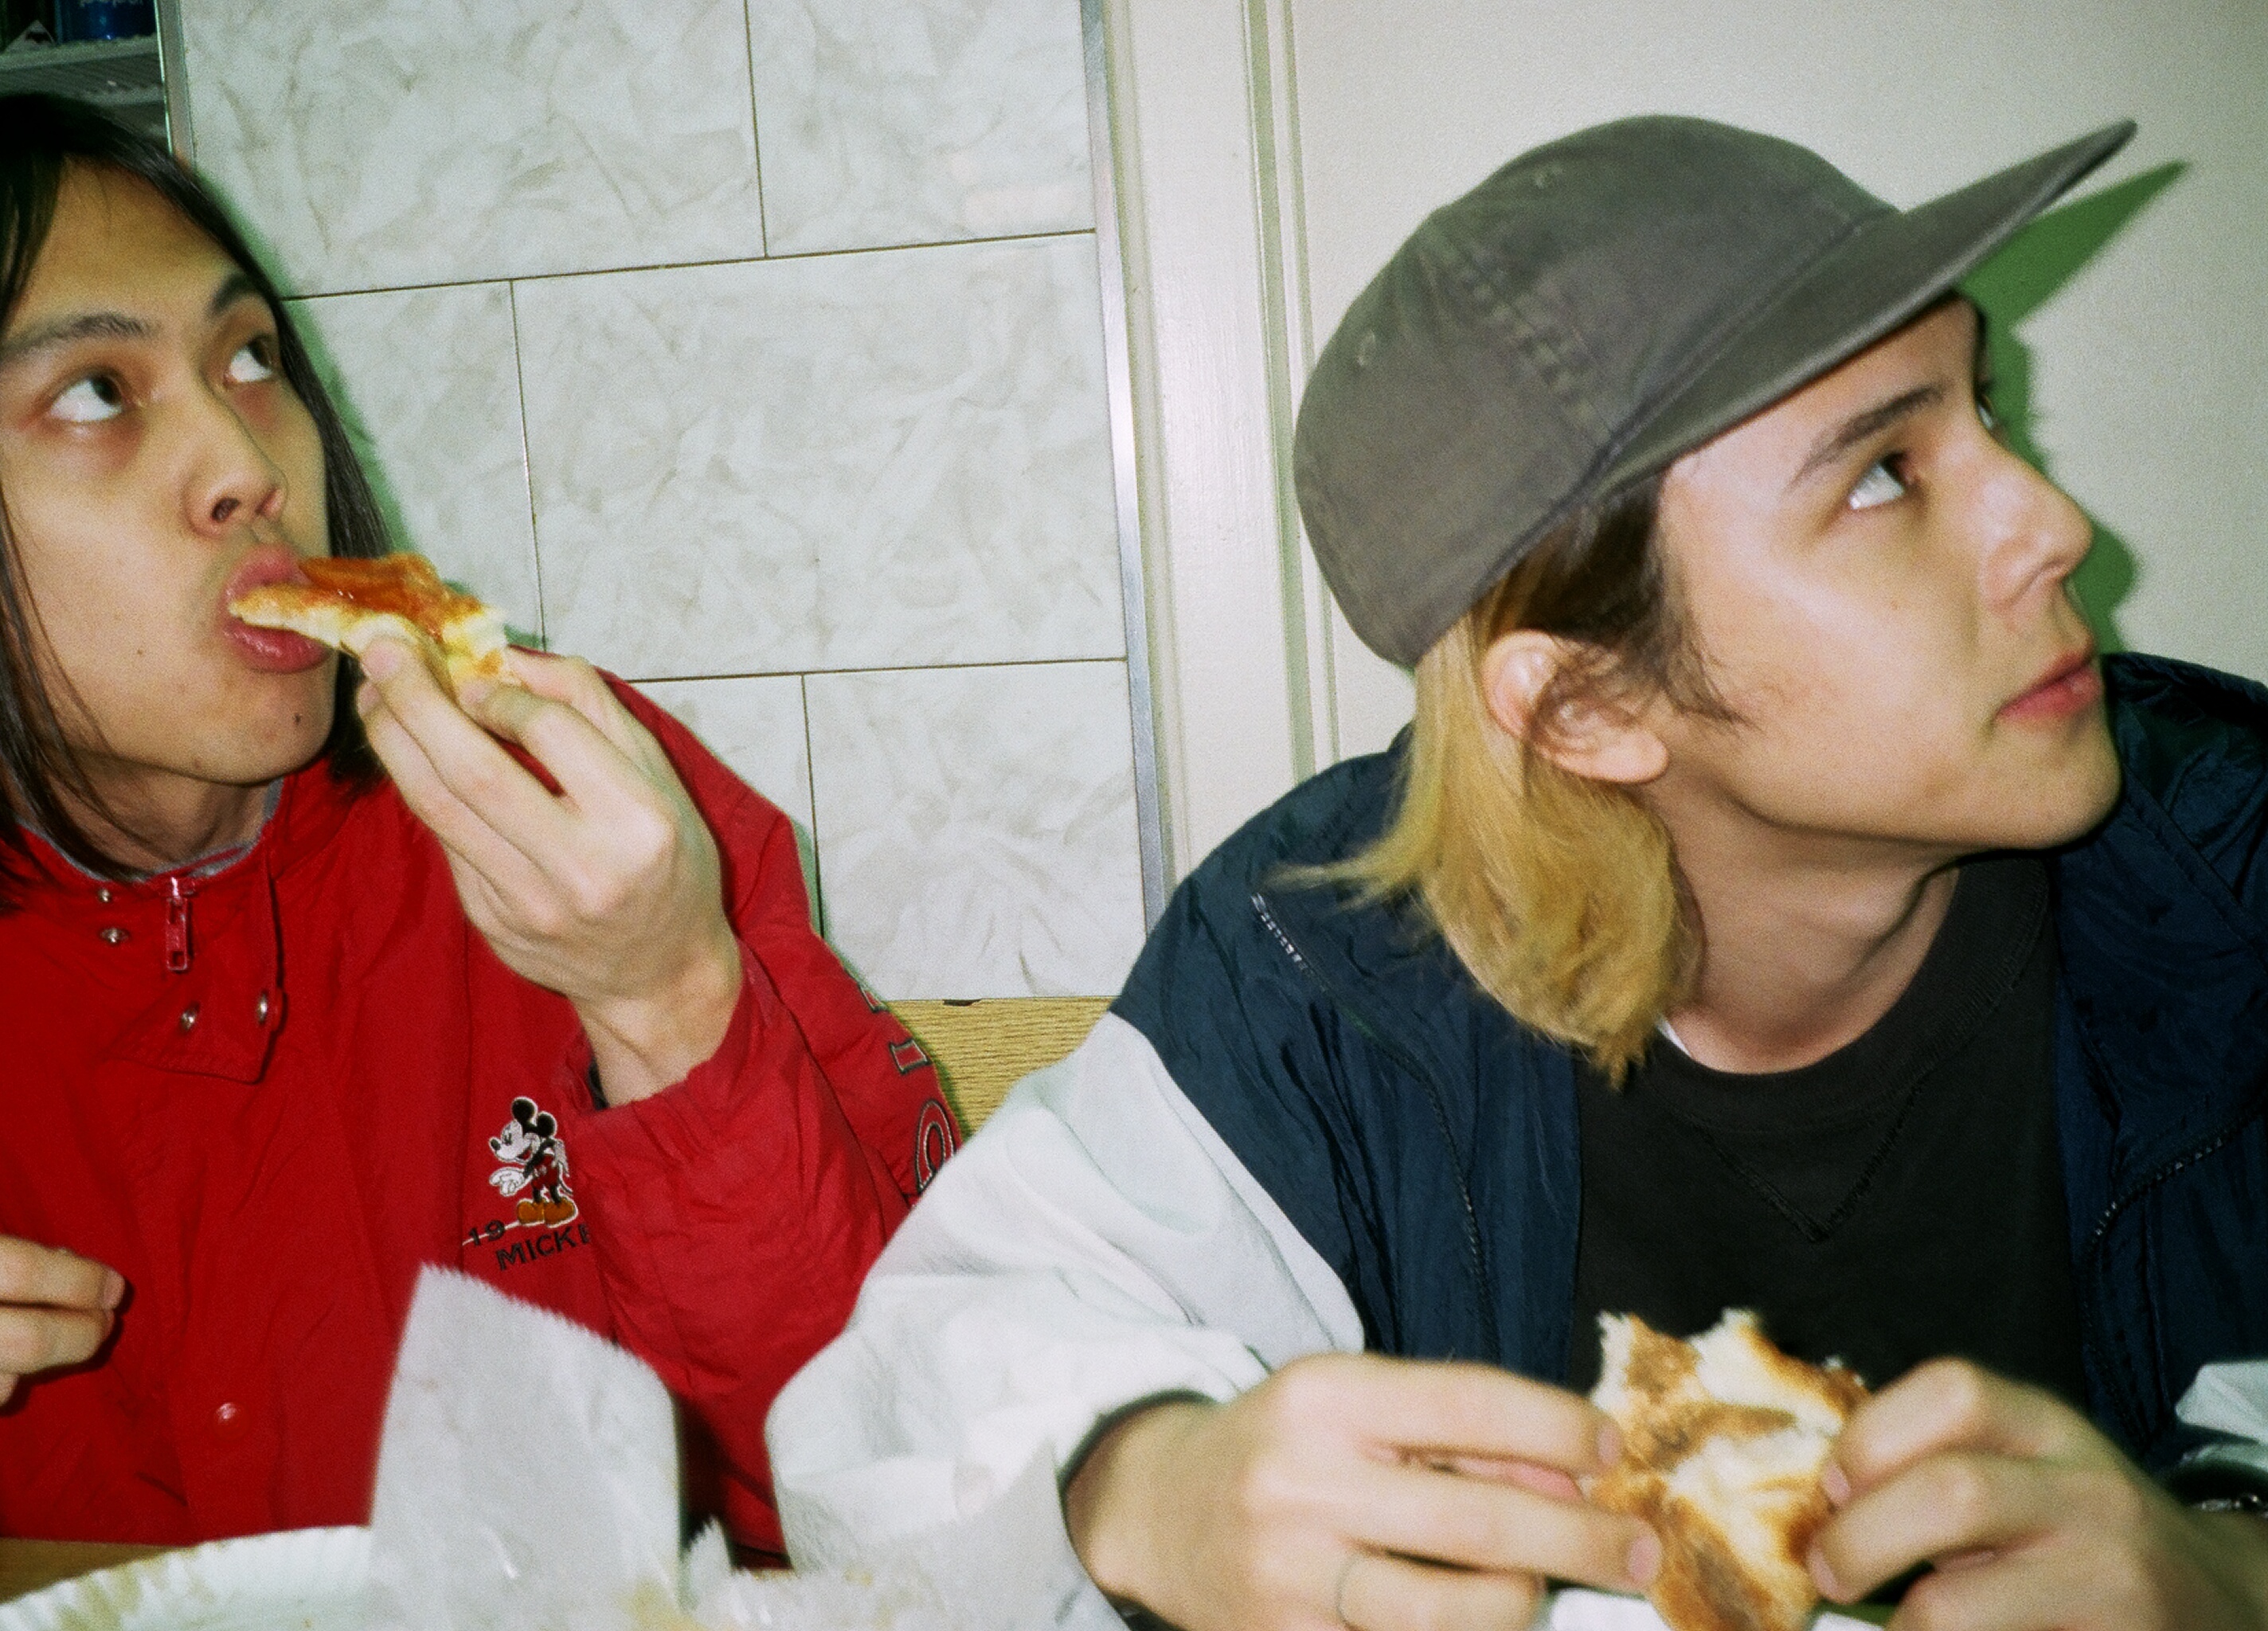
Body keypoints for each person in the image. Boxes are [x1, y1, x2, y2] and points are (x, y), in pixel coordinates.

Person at [768, 115, 2268, 1629]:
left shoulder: (2236, 862)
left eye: (1984, 411)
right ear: (1586, 708)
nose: (2053, 524)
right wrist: (1134, 1482)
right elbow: (906, 1409)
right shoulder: (1322, 963)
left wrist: (2237, 1569)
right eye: (1884, 475)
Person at [0, 94, 958, 1554]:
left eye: (250, 358)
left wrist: (665, 995)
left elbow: (909, 1478)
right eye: (97, 393)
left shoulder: (579, 802)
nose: (249, 464)